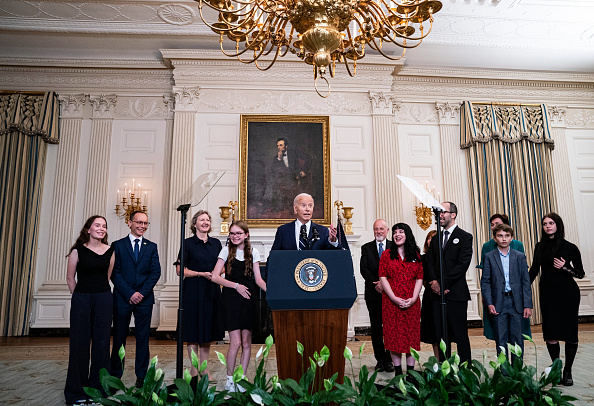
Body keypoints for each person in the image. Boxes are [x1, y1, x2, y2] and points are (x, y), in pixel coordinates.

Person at [64, 216, 115, 406]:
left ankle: (98, 391)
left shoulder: (111, 251)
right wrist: (80, 298)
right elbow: (70, 279)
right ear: (88, 229)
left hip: (103, 298)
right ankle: (77, 392)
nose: (101, 229)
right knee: (79, 345)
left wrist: (97, 294)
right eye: (97, 225)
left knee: (101, 345)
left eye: (104, 226)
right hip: (82, 299)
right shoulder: (77, 252)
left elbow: (107, 277)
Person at [529, 213, 584, 386]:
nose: (548, 226)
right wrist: (520, 287)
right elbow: (533, 271)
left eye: (551, 223)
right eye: (545, 224)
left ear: (558, 225)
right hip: (547, 294)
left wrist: (566, 267)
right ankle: (556, 368)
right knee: (551, 334)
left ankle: (568, 371)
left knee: (569, 333)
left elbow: (580, 274)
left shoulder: (570, 247)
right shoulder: (539, 246)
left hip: (568, 295)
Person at [211, 221, 267, 392]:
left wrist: (273, 294)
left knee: (247, 342)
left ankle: (241, 380)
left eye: (238, 233)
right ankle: (230, 381)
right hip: (231, 299)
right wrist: (236, 286)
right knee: (235, 342)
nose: (235, 236)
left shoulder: (253, 252)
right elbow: (215, 276)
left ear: (246, 235)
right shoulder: (226, 250)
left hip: (248, 299)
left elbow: (258, 280)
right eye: (232, 233)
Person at [111, 211, 161, 388]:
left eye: (146, 223)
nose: (142, 226)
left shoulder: (152, 246)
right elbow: (114, 273)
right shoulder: (117, 245)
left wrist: (140, 293)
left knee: (143, 338)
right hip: (122, 299)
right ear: (129, 222)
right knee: (119, 339)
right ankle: (115, 376)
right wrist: (130, 293)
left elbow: (156, 272)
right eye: (139, 222)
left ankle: (142, 377)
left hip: (145, 300)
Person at [175, 210, 224, 378]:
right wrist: (201, 274)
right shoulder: (187, 243)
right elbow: (180, 270)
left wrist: (215, 274)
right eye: (202, 220)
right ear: (194, 223)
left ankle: (205, 369)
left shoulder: (217, 244)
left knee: (207, 333)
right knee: (192, 332)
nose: (205, 222)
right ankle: (194, 369)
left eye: (208, 220)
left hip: (211, 291)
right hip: (192, 291)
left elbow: (223, 266)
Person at [424, 202, 473, 363]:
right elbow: (429, 262)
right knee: (441, 336)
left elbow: (462, 265)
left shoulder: (465, 237)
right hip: (436, 295)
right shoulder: (437, 237)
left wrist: (442, 284)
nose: (439, 215)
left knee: (460, 334)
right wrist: (433, 282)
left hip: (455, 294)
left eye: (443, 212)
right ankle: (445, 370)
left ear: (453, 214)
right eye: (438, 212)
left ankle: (465, 370)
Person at [481, 224, 532, 363]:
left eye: (507, 236)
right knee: (501, 339)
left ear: (512, 238)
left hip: (517, 303)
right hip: (498, 302)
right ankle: (504, 374)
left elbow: (525, 282)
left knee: (517, 339)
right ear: (494, 238)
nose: (504, 239)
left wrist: (528, 304)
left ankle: (516, 372)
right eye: (500, 236)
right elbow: (485, 282)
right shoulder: (489, 257)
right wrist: (489, 303)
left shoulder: (520, 256)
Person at [379, 223, 423, 378]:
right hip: (391, 303)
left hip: (412, 302)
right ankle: (398, 372)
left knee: (411, 337)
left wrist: (414, 298)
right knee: (394, 337)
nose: (397, 234)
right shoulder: (386, 254)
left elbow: (419, 278)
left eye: (401, 232)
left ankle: (411, 372)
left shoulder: (416, 255)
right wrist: (393, 298)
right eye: (395, 232)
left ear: (407, 234)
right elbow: (383, 277)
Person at [360, 219, 394, 372]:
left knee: (390, 328)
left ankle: (390, 359)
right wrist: (378, 282)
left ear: (387, 230)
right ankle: (380, 360)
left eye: (381, 229)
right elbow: (364, 269)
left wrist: (385, 283)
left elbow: (398, 269)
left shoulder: (395, 247)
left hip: (391, 294)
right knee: (376, 328)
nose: (378, 231)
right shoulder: (366, 248)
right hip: (373, 293)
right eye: (376, 229)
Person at [270, 193, 340, 251]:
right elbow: (274, 257)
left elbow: (332, 257)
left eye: (310, 206)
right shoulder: (283, 231)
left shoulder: (322, 231)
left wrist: (333, 241)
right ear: (295, 208)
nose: (307, 209)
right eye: (303, 205)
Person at [420, 230, 439, 358]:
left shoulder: (444, 257)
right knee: (433, 332)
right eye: (429, 238)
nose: (430, 240)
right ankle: (438, 360)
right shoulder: (423, 258)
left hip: (445, 295)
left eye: (433, 238)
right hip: (429, 295)